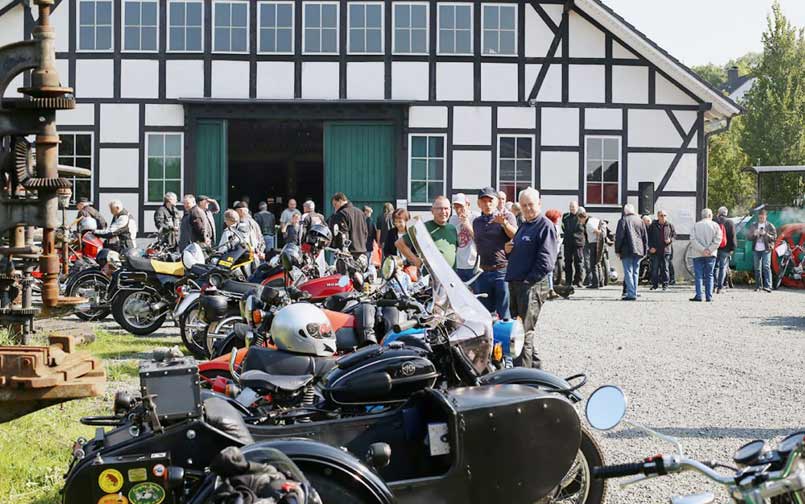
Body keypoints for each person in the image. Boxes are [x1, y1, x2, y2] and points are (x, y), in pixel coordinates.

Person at [504, 187, 558, 369]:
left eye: (531, 205)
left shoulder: (545, 226)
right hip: (516, 284)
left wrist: (528, 281)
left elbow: (546, 262)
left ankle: (523, 379)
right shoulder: (524, 225)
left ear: (539, 204)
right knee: (519, 331)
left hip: (531, 286)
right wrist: (509, 250)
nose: (527, 208)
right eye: (524, 205)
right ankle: (536, 371)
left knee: (523, 333)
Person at [472, 187, 515, 318]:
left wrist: (504, 224)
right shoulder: (476, 222)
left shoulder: (506, 216)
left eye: (490, 201)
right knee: (485, 312)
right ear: (479, 203)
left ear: (496, 202)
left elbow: (516, 235)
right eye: (483, 201)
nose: (487, 204)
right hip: (483, 271)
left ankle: (506, 338)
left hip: (501, 271)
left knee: (504, 311)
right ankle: (488, 338)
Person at [396, 196, 457, 268]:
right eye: (439, 209)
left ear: (450, 210)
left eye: (446, 208)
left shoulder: (452, 228)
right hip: (432, 276)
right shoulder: (423, 228)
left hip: (451, 275)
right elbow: (399, 243)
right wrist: (415, 260)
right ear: (432, 211)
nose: (443, 212)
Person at [614, 203, 648, 301]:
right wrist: (645, 250)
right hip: (639, 250)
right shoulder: (640, 221)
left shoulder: (623, 220)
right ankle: (634, 291)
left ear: (625, 211)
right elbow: (644, 237)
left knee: (628, 271)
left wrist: (617, 250)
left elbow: (619, 237)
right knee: (636, 271)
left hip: (627, 250)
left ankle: (631, 293)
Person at [689, 208, 722, 302]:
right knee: (709, 275)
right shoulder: (715, 225)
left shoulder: (696, 225)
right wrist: (709, 249)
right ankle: (709, 296)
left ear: (702, 215)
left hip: (697, 253)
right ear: (710, 215)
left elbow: (693, 239)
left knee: (698, 275)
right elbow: (718, 239)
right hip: (711, 254)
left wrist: (702, 249)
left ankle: (699, 295)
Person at [450, 193, 479, 283]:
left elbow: (480, 240)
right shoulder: (453, 219)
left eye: (461, 206)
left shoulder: (476, 217)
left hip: (473, 264)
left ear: (468, 205)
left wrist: (467, 225)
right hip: (458, 264)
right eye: (456, 207)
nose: (458, 210)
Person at [330, 192, 368, 258]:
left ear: (340, 201)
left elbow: (342, 234)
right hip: (362, 252)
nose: (335, 208)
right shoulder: (360, 212)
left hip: (348, 254)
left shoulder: (342, 214)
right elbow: (365, 232)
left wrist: (341, 250)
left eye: (335, 204)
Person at [747, 208, 777, 292]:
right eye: (760, 217)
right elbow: (748, 237)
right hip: (756, 249)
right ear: (758, 217)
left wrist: (765, 234)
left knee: (766, 267)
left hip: (766, 249)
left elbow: (774, 238)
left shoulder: (770, 225)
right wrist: (754, 234)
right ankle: (758, 286)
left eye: (763, 217)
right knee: (757, 268)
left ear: (766, 217)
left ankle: (768, 286)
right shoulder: (753, 225)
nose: (761, 219)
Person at [647, 210, 675, 291]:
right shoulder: (653, 225)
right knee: (654, 268)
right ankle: (654, 285)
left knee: (665, 268)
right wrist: (650, 247)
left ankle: (665, 285)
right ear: (658, 216)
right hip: (655, 250)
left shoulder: (669, 225)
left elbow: (674, 235)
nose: (663, 217)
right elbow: (648, 237)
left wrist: (670, 240)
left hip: (666, 250)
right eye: (661, 215)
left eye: (665, 215)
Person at [562, 201, 585, 287]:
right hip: (568, 242)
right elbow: (563, 227)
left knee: (578, 262)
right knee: (567, 262)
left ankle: (578, 281)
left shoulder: (581, 216)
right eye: (571, 206)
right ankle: (568, 281)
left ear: (577, 207)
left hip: (578, 242)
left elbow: (584, 229)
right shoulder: (565, 216)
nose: (572, 208)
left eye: (573, 207)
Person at [577, 207, 602, 289]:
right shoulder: (593, 219)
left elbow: (598, 232)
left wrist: (598, 241)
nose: (580, 222)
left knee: (593, 264)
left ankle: (595, 283)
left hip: (594, 243)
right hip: (596, 243)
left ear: (582, 217)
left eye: (580, 220)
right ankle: (600, 282)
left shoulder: (589, 224)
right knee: (597, 263)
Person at [715, 206, 737, 293]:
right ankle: (720, 287)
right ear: (726, 213)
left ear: (718, 212)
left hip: (715, 248)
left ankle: (713, 286)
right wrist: (733, 248)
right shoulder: (730, 222)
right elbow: (732, 236)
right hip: (726, 249)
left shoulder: (714, 221)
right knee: (722, 267)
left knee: (715, 267)